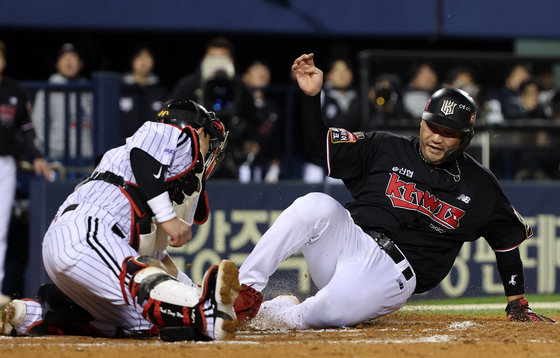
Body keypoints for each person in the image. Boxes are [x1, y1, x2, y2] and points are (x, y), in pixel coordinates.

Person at [232, 53, 554, 329]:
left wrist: (517, 303)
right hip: (349, 240)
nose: (437, 138)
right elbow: (319, 150)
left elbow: (506, 242)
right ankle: (243, 292)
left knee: (326, 311)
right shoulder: (385, 146)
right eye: (432, 126)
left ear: (465, 138)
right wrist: (311, 97)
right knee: (314, 204)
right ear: (421, 121)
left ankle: (278, 315)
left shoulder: (480, 185)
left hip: (391, 273)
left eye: (449, 133)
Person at [1, 99, 240, 341]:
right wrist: (168, 218)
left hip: (89, 255)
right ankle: (205, 313)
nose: (210, 151)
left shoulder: (156, 188)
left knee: (143, 322)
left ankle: (30, 314)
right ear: (199, 131)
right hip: (85, 232)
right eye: (210, 141)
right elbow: (144, 157)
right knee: (136, 279)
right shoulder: (169, 133)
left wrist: (194, 291)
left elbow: (157, 266)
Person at [0, 40, 53, 307]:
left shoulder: (14, 91)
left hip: (6, 162)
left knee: (0, 228)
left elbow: (28, 128)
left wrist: (38, 156)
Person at [170, 36, 257, 179]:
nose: (217, 63)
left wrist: (250, 141)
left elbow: (252, 119)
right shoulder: (189, 85)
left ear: (231, 60)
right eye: (212, 58)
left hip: (230, 151)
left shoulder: (240, 88)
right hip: (193, 153)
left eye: (222, 58)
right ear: (205, 59)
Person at [32, 43, 94, 163]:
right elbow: (38, 124)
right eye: (64, 57)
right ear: (57, 64)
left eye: (73, 57)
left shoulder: (89, 89)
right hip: (56, 155)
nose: (69, 61)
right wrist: (41, 154)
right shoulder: (48, 89)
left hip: (86, 155)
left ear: (81, 63)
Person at [240, 59, 282, 183]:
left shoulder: (273, 108)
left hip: (262, 165)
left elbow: (276, 141)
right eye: (257, 70)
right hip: (238, 165)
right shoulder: (239, 104)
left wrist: (274, 167)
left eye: (265, 70)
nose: (262, 73)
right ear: (245, 76)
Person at [119, 46, 168, 143]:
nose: (143, 61)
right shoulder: (120, 89)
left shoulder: (161, 92)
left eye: (147, 57)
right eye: (139, 57)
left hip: (153, 148)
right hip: (122, 148)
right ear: (132, 60)